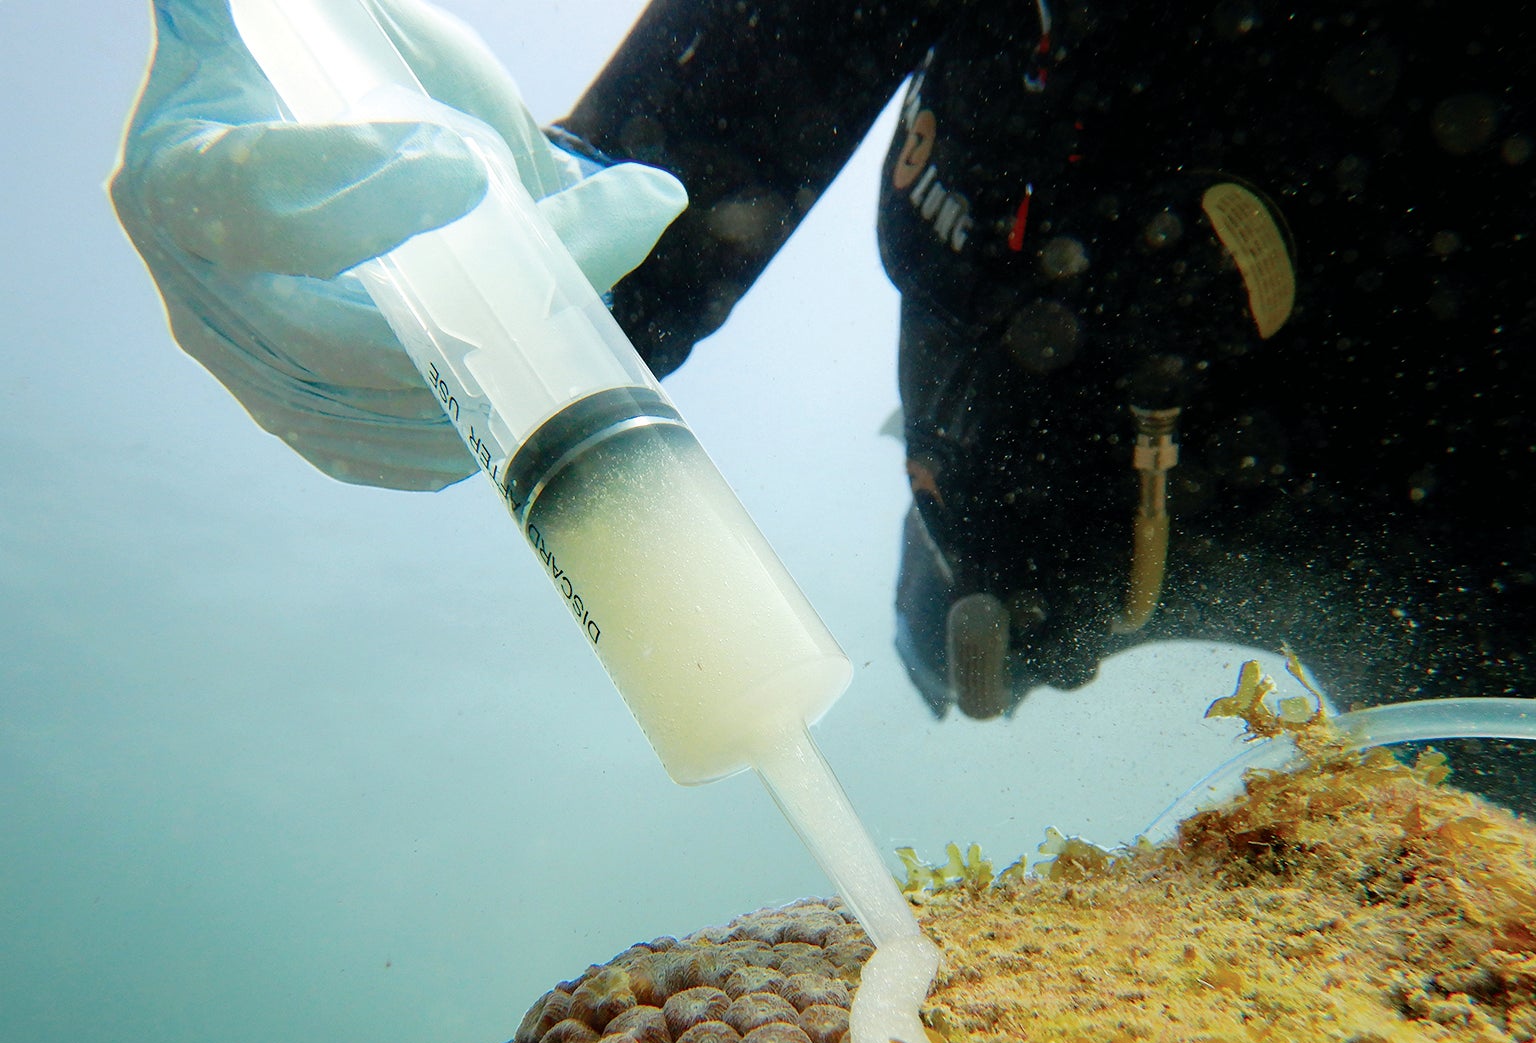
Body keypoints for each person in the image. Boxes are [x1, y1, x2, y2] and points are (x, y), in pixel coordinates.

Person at [114, 0, 1536, 808]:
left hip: (1460, 536)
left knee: (1489, 1038)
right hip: (1020, 523)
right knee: (966, 630)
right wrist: (438, 268)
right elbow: (625, 235)